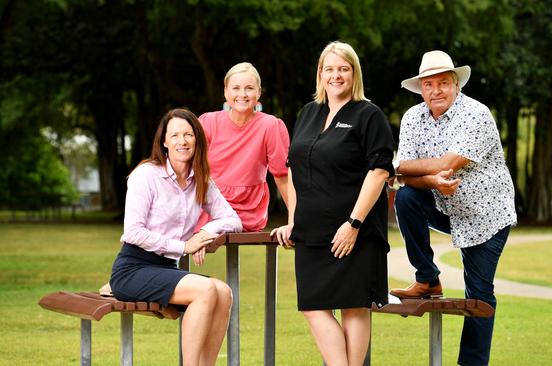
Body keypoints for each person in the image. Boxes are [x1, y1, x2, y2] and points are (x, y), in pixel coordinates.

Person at [388, 50, 517, 366]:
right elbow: (401, 171)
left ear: (456, 84)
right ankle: (428, 279)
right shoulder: (411, 118)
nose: (436, 91)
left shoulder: (477, 114)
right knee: (405, 198)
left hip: (486, 213)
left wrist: (415, 170)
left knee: (478, 295)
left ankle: (471, 364)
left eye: (443, 83)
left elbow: (448, 163)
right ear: (421, 88)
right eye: (429, 84)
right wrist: (429, 178)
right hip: (443, 204)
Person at [272, 41, 394, 366]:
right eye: (329, 69)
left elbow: (379, 170)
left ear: (354, 74)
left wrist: (353, 224)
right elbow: (294, 168)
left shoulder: (368, 114)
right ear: (320, 74)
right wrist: (293, 219)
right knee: (313, 307)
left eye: (343, 68)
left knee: (354, 307)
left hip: (354, 233)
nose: (336, 75)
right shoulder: (309, 113)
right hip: (311, 234)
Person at [109, 108, 242, 366]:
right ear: (164, 142)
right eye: (175, 135)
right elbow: (133, 232)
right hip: (133, 268)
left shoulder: (201, 180)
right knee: (205, 290)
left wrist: (205, 231)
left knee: (223, 292)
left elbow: (233, 220)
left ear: (197, 140)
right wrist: (184, 245)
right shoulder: (146, 175)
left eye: (189, 135)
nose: (182, 141)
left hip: (166, 268)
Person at [196, 62, 290, 232]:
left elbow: (282, 176)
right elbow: (193, 169)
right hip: (210, 206)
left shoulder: (271, 126)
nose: (243, 94)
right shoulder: (208, 123)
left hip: (248, 211)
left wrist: (295, 219)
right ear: (225, 92)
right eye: (236, 88)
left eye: (249, 88)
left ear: (259, 92)